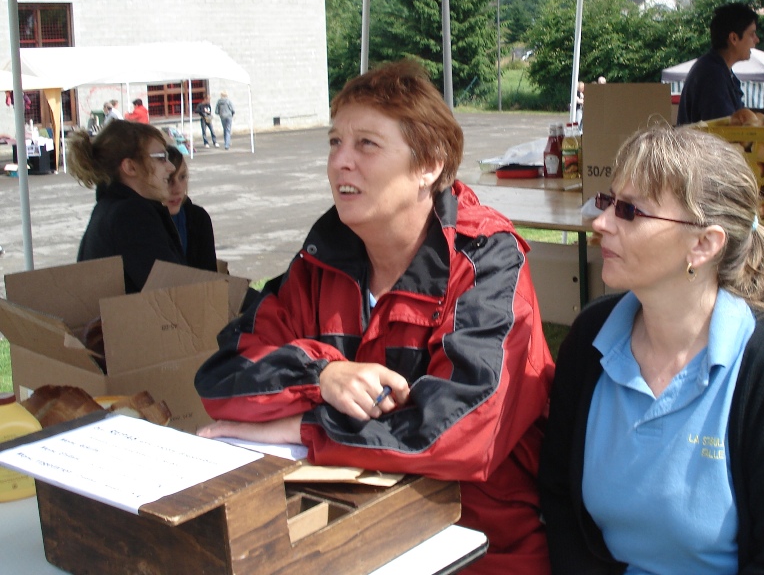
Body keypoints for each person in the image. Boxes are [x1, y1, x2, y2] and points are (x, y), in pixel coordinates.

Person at [194, 60, 555, 574]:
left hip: (479, 546)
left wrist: (303, 426)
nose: (341, 162)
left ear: (429, 164)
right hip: (353, 537)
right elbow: (224, 376)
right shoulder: (322, 260)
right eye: (334, 142)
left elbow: (458, 430)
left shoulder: (486, 261)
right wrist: (324, 376)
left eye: (366, 144)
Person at [538, 125, 764, 575]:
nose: (601, 222)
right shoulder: (591, 339)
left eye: (630, 211)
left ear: (704, 244)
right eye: (608, 201)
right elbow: (558, 499)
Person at [68, 120, 185, 293]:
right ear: (130, 167)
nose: (170, 167)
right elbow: (174, 291)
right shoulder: (131, 215)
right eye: (161, 158)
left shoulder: (109, 207)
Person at [677, 2, 759, 124]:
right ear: (734, 38)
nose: (757, 40)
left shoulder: (717, 69)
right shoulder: (713, 76)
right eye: (752, 34)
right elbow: (724, 127)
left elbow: (735, 116)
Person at [165, 145, 218, 272]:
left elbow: (210, 276)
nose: (178, 189)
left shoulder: (197, 218)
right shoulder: (141, 222)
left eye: (182, 177)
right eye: (167, 179)